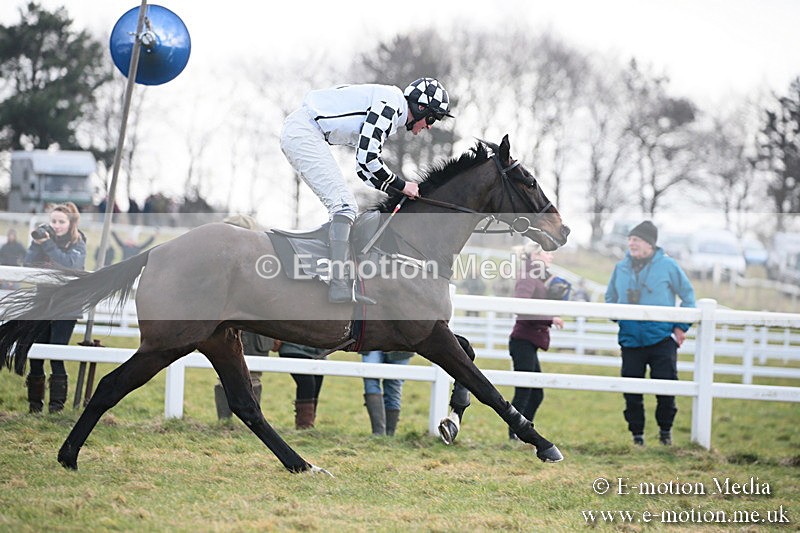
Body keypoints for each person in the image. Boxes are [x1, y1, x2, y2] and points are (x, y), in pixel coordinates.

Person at [280, 78, 453, 304]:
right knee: (344, 205)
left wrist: (396, 192)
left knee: (344, 204)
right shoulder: (391, 105)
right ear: (420, 107)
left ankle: (335, 275)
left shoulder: (391, 108)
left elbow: (363, 170)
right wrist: (403, 185)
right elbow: (369, 159)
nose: (429, 126)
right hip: (304, 132)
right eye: (431, 118)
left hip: (304, 131)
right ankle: (338, 283)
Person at [605, 220, 696, 447]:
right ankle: (637, 436)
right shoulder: (621, 267)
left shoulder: (668, 266)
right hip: (630, 340)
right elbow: (609, 298)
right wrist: (622, 319)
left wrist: (680, 328)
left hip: (662, 339)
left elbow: (689, 297)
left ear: (649, 244)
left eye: (636, 240)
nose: (631, 244)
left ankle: (665, 433)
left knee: (666, 389)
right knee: (632, 392)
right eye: (630, 240)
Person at [23, 202, 86, 413]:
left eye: (61, 222)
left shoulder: (79, 242)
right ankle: (34, 406)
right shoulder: (44, 240)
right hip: (42, 304)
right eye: (53, 221)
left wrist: (48, 245)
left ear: (70, 223)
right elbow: (28, 264)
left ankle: (56, 407)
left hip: (66, 307)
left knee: (56, 354)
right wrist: (36, 243)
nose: (56, 225)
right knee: (36, 354)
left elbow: (69, 265)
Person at [506, 242, 568, 440]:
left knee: (535, 394)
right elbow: (521, 307)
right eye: (547, 254)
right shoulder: (529, 275)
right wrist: (550, 319)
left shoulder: (536, 275)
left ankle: (522, 431)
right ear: (535, 255)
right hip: (523, 340)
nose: (551, 257)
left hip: (529, 341)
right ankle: (516, 434)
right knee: (525, 391)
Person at [361, 350, 414, 436]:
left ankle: (389, 434)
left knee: (393, 385)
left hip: (401, 344)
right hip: (372, 342)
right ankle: (378, 433)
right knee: (370, 379)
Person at [277, 342, 326, 429]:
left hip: (320, 351)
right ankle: (304, 426)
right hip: (293, 347)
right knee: (308, 384)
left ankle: (308, 425)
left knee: (315, 387)